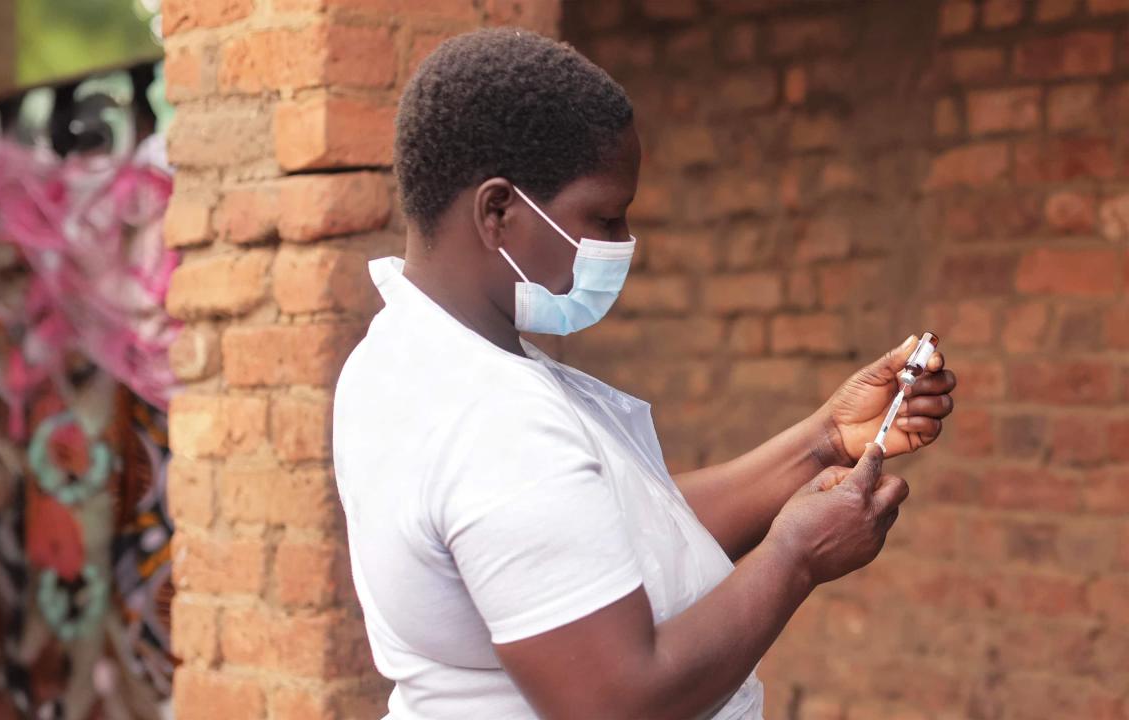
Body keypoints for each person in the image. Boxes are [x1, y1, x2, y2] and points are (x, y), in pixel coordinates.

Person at [332, 28, 956, 720]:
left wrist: (824, 441)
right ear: (499, 212)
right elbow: (617, 700)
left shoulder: (406, 357)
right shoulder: (487, 417)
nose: (623, 246)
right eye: (605, 217)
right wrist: (796, 557)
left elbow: (606, 540)